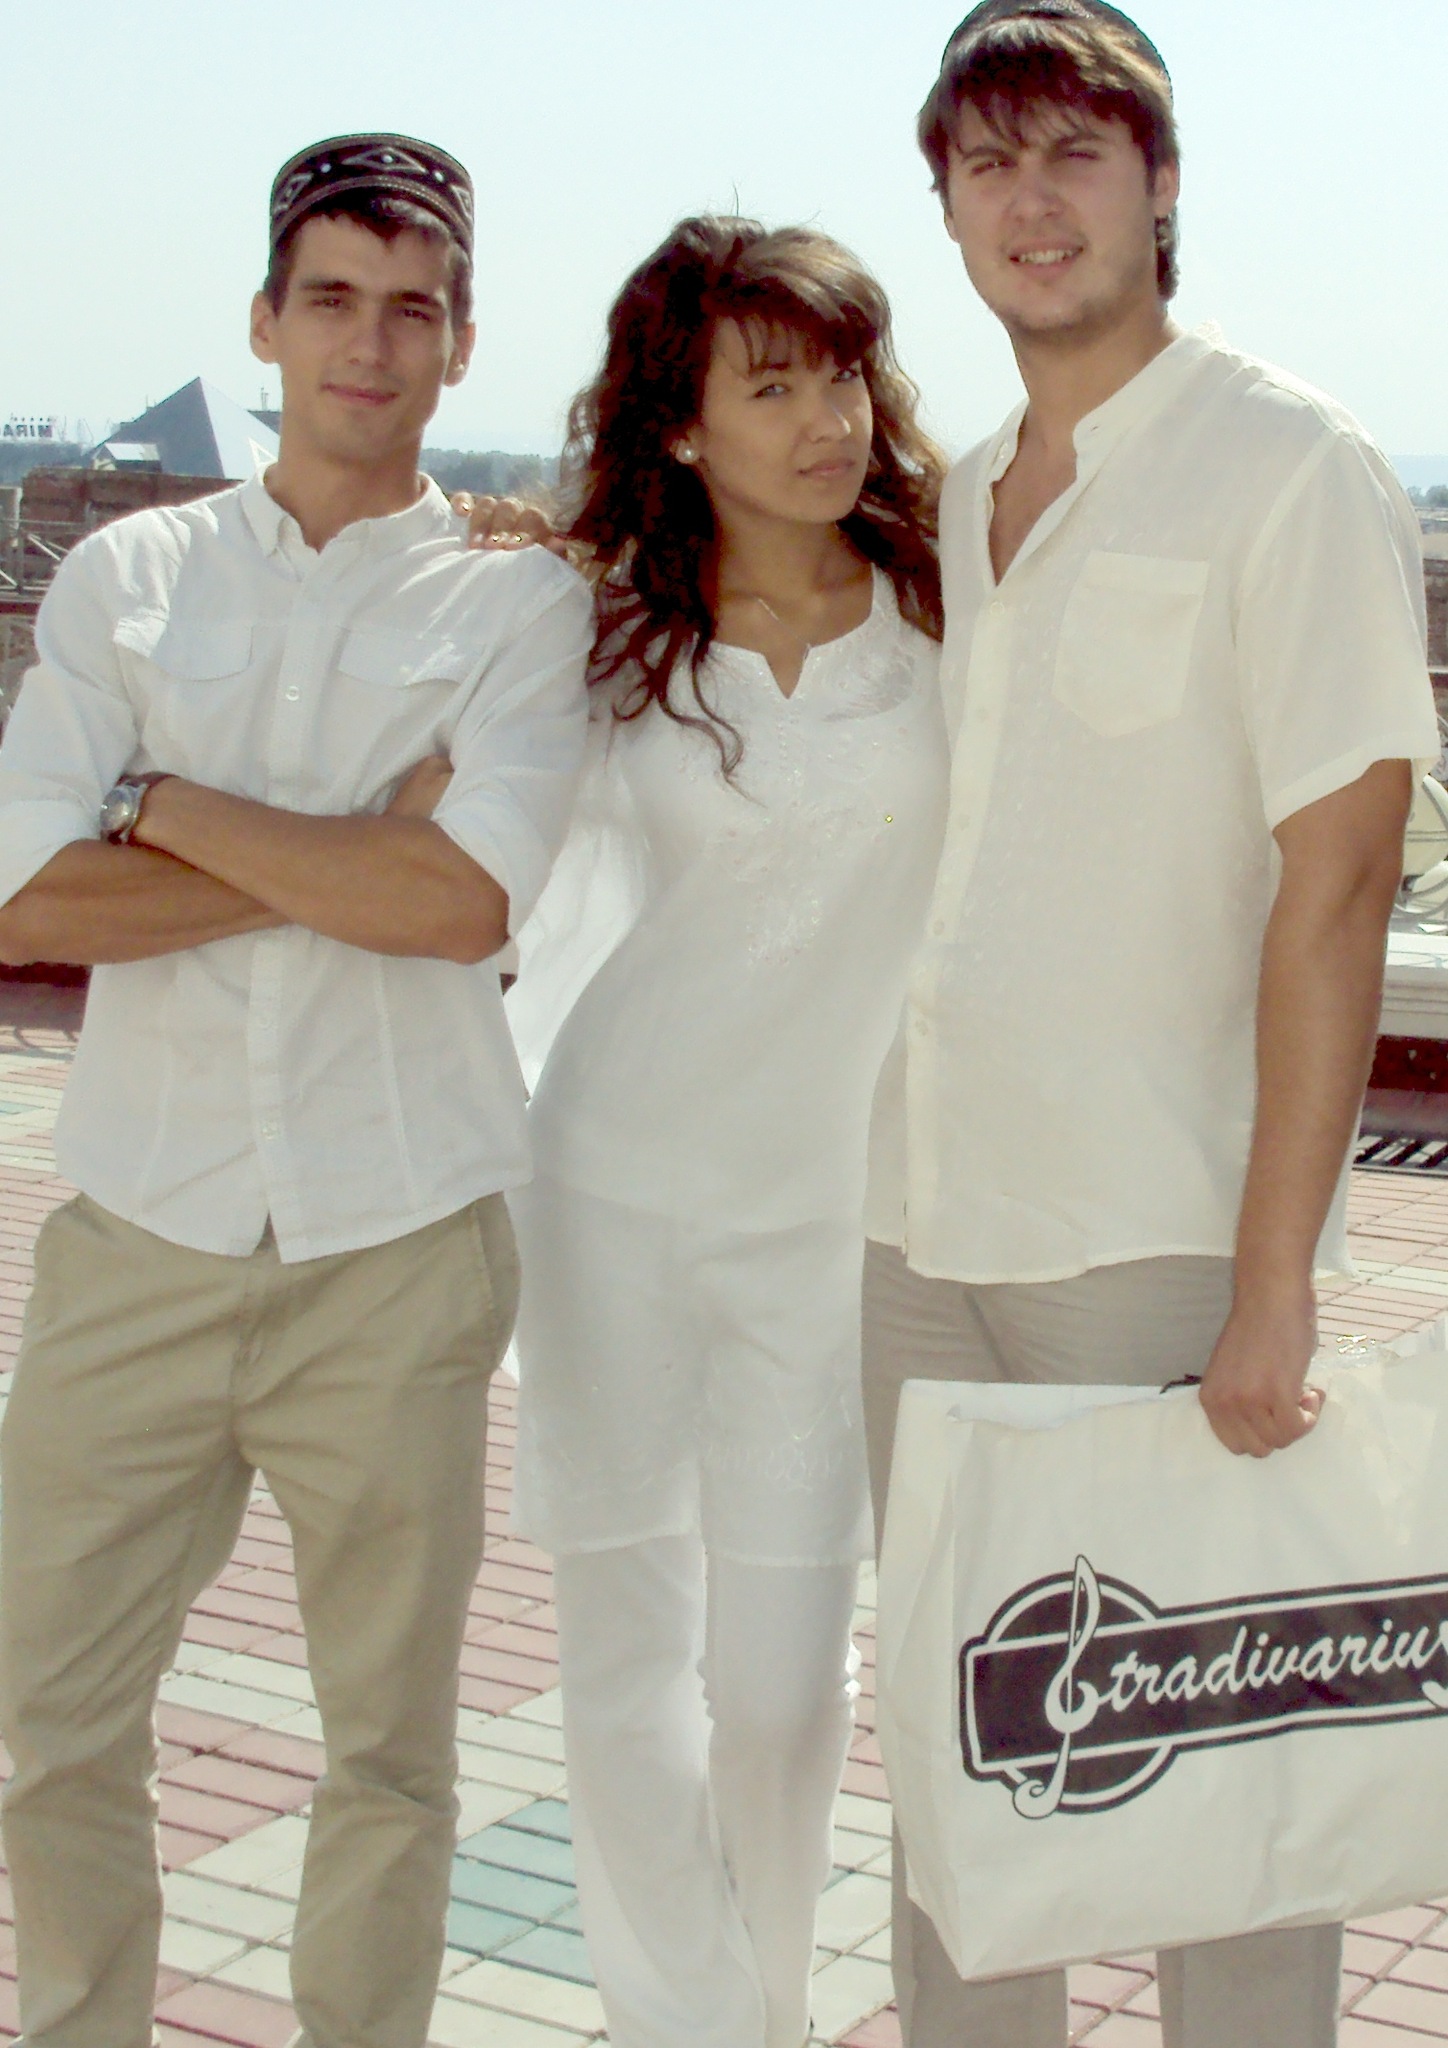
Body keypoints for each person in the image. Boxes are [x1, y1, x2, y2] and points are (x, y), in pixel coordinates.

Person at [859, 6, 1440, 2048]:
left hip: (1159, 1246)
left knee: (1222, 1799)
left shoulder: (1289, 463)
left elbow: (1338, 882)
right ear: (945, 205)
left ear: (1161, 182)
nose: (1031, 201)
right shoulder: (956, 494)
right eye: (988, 163)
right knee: (965, 1774)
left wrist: (1275, 1280)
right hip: (920, 1231)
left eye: (1074, 154)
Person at [0, 134, 591, 2048]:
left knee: (389, 1757)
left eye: (412, 310)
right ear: (265, 320)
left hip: (397, 1251)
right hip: (139, 1235)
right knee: (46, 1723)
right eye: (330, 298)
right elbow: (26, 897)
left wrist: (155, 803)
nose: (368, 342)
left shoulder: (518, 608)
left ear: (461, 342)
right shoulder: (129, 575)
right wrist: (341, 851)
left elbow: (459, 906)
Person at [503, 216, 949, 2048]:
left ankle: (761, 2001)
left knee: (778, 1688)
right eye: (772, 387)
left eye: (844, 374)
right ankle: (684, 2022)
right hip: (607, 1191)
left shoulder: (952, 606)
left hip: (830, 1223)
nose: (829, 418)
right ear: (679, 425)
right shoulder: (595, 627)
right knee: (623, 1663)